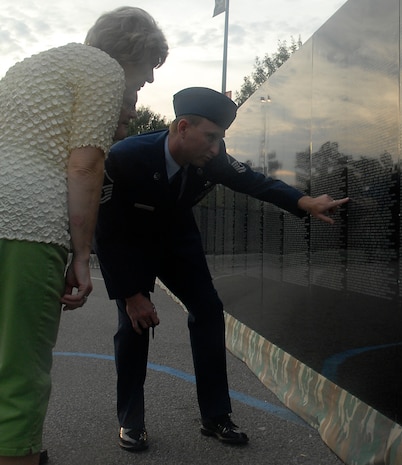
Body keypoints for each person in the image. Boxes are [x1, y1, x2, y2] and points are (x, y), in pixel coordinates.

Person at [94, 87, 350, 452]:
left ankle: (216, 416)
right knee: (134, 326)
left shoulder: (212, 158)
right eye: (211, 137)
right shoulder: (127, 157)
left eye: (221, 139)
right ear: (183, 127)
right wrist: (133, 295)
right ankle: (131, 420)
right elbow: (107, 231)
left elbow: (253, 181)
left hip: (178, 242)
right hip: (130, 244)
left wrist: (305, 201)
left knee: (209, 312)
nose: (217, 149)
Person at [0, 7, 168, 464]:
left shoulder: (28, 67)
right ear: (135, 50)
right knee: (20, 366)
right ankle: (18, 455)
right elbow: (84, 165)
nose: (148, 81)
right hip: (27, 222)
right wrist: (81, 255)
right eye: (151, 66)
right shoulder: (103, 71)